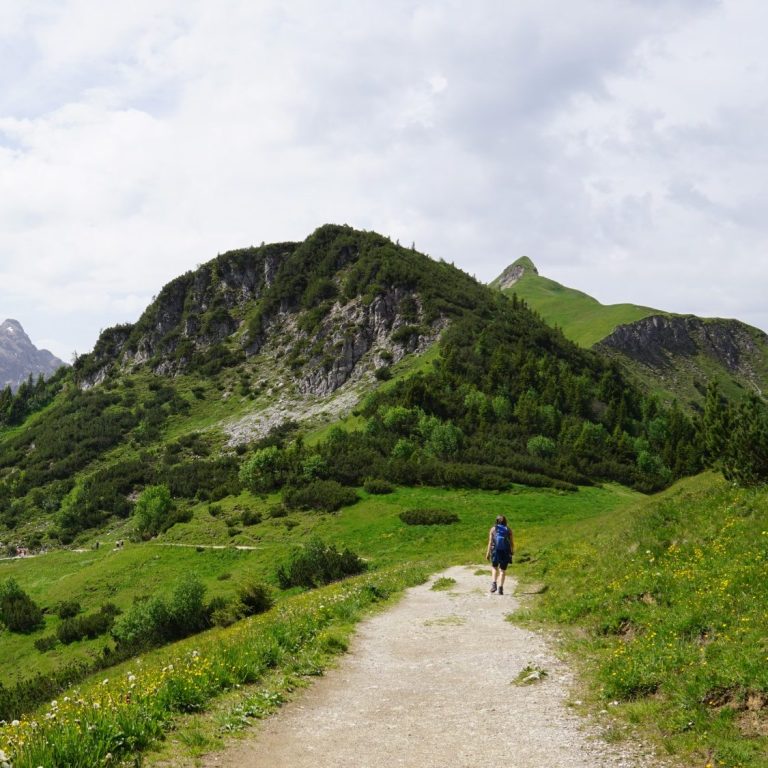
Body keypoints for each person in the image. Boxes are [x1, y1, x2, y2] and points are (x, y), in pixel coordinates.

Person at [485, 514, 514, 595]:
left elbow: (490, 542)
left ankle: (494, 584)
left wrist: (488, 553)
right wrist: (512, 551)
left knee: (494, 567)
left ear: (496, 521)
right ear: (505, 521)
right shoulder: (508, 529)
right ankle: (500, 588)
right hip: (506, 551)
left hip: (495, 551)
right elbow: (511, 542)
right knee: (502, 570)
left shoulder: (493, 529)